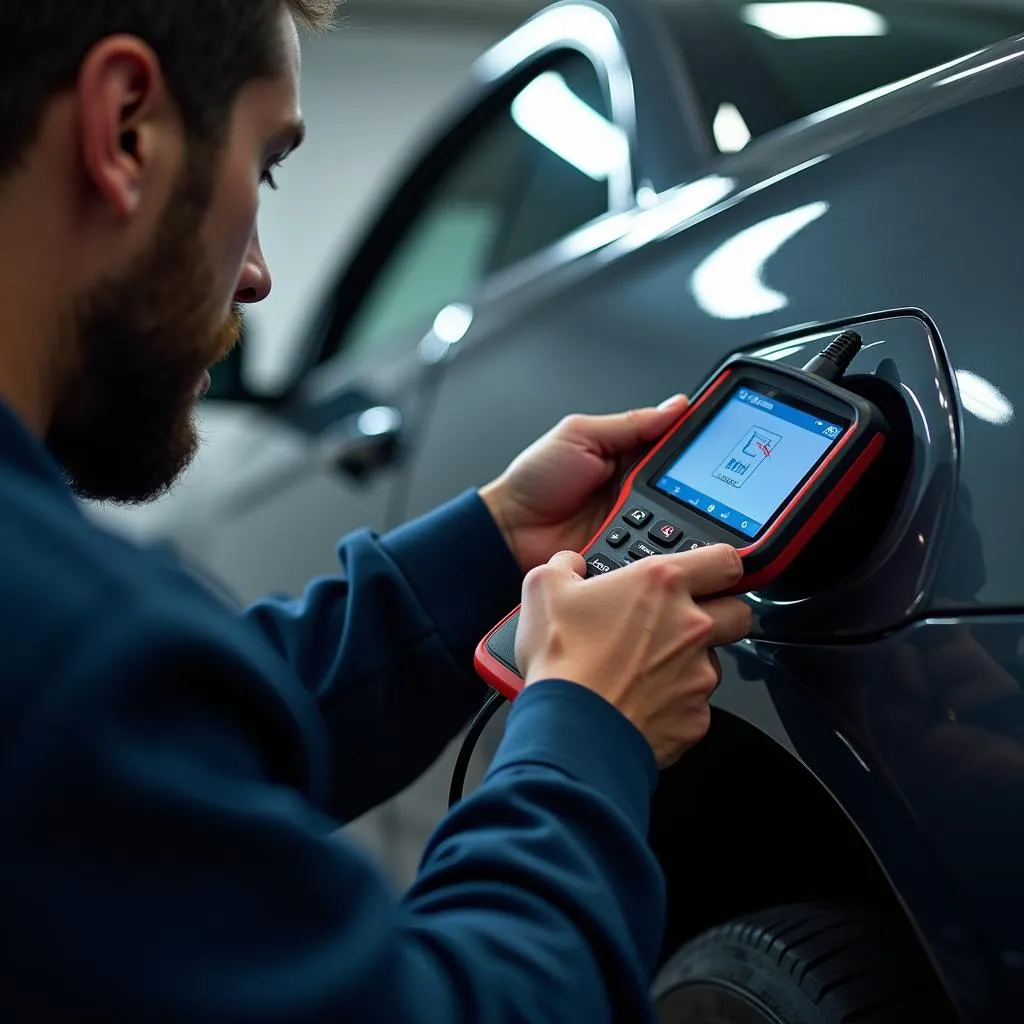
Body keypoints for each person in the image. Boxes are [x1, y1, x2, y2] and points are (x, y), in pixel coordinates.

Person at [0, 2, 752, 1021]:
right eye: (264, 169)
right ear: (126, 128)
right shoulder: (75, 659)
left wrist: (486, 548)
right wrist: (587, 734)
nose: (258, 274)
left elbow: (154, 757)